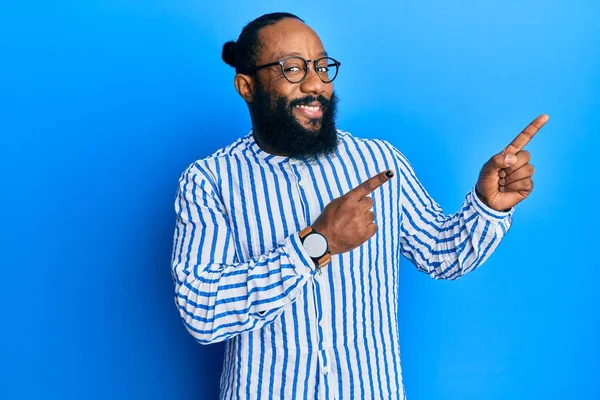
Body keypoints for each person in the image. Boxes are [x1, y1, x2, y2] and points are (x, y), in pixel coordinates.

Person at [170, 12, 547, 400]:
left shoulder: (376, 161)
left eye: (321, 66)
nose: (316, 84)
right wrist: (316, 245)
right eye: (293, 69)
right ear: (247, 86)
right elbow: (202, 311)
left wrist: (488, 205)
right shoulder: (210, 180)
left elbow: (442, 254)